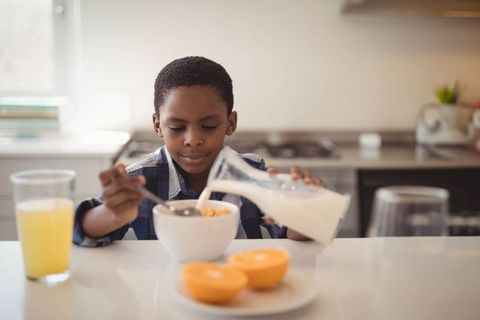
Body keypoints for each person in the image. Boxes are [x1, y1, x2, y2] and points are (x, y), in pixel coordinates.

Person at [73, 56, 321, 247]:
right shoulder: (140, 180)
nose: (193, 140)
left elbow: (292, 233)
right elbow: (80, 231)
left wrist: (307, 209)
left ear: (230, 123)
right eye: (178, 127)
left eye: (209, 126)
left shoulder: (251, 172)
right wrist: (111, 214)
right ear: (158, 125)